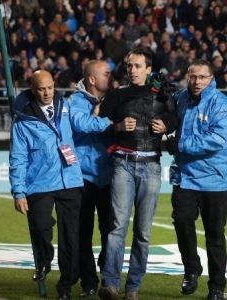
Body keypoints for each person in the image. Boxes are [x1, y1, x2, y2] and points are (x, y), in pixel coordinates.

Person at [97, 47, 178, 300]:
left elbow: (176, 120)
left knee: (143, 232)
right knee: (116, 227)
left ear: (148, 69)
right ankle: (110, 284)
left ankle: (133, 287)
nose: (132, 70)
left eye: (137, 66)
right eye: (129, 66)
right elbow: (99, 124)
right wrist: (117, 126)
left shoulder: (163, 94)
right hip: (122, 163)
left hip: (151, 165)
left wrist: (166, 125)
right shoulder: (117, 94)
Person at [9, 70, 83, 300]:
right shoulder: (22, 118)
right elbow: (17, 157)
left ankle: (66, 287)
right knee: (40, 226)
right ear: (33, 90)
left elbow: (84, 124)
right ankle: (44, 260)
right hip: (39, 183)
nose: (47, 93)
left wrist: (107, 121)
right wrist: (19, 192)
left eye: (50, 87)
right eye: (41, 89)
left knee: (71, 236)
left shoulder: (66, 106)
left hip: (69, 179)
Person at [166, 59, 227, 300]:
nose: (197, 81)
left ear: (211, 79)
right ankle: (192, 270)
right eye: (193, 77)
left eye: (202, 77)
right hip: (185, 176)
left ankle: (217, 288)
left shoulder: (220, 103)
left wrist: (179, 144)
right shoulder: (180, 98)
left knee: (214, 235)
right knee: (181, 222)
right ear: (187, 78)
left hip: (214, 178)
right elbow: (164, 111)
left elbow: (218, 139)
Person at [68, 60, 114, 298]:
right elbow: (80, 123)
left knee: (111, 231)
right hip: (83, 177)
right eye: (107, 73)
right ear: (92, 80)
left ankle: (108, 276)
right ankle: (89, 281)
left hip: (110, 176)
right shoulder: (75, 101)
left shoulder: (114, 98)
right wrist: (106, 120)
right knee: (82, 232)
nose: (112, 76)